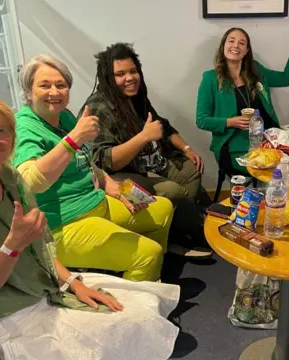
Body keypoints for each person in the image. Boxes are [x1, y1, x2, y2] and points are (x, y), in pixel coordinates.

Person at [0, 93, 180, 359]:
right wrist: (12, 246)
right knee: (129, 327)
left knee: (142, 306)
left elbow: (40, 246)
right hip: (9, 316)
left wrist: (73, 282)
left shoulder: (8, 176)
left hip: (43, 287)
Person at [14, 54, 174, 281]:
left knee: (163, 209)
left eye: (61, 85)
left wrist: (111, 185)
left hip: (94, 201)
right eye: (44, 85)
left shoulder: (65, 117)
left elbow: (86, 161)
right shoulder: (24, 127)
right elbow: (31, 182)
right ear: (28, 92)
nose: (54, 92)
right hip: (62, 224)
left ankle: (147, 278)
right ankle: (135, 306)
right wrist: (73, 139)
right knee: (148, 254)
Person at [82, 43, 212, 258]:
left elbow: (163, 126)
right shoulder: (98, 107)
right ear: (108, 78)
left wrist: (187, 148)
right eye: (120, 74)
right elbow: (105, 161)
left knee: (192, 170)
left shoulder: (137, 96)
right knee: (174, 192)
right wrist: (143, 137)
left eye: (133, 71)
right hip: (123, 175)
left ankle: (174, 229)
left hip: (155, 162)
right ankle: (186, 231)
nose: (130, 78)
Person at [196, 27, 289, 174]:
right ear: (223, 46)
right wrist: (230, 121)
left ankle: (275, 195)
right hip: (234, 146)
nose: (235, 46)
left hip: (268, 140)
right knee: (278, 169)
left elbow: (287, 78)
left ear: (246, 51)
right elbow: (202, 120)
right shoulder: (210, 79)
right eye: (231, 41)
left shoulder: (256, 71)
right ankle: (269, 195)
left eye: (242, 43)